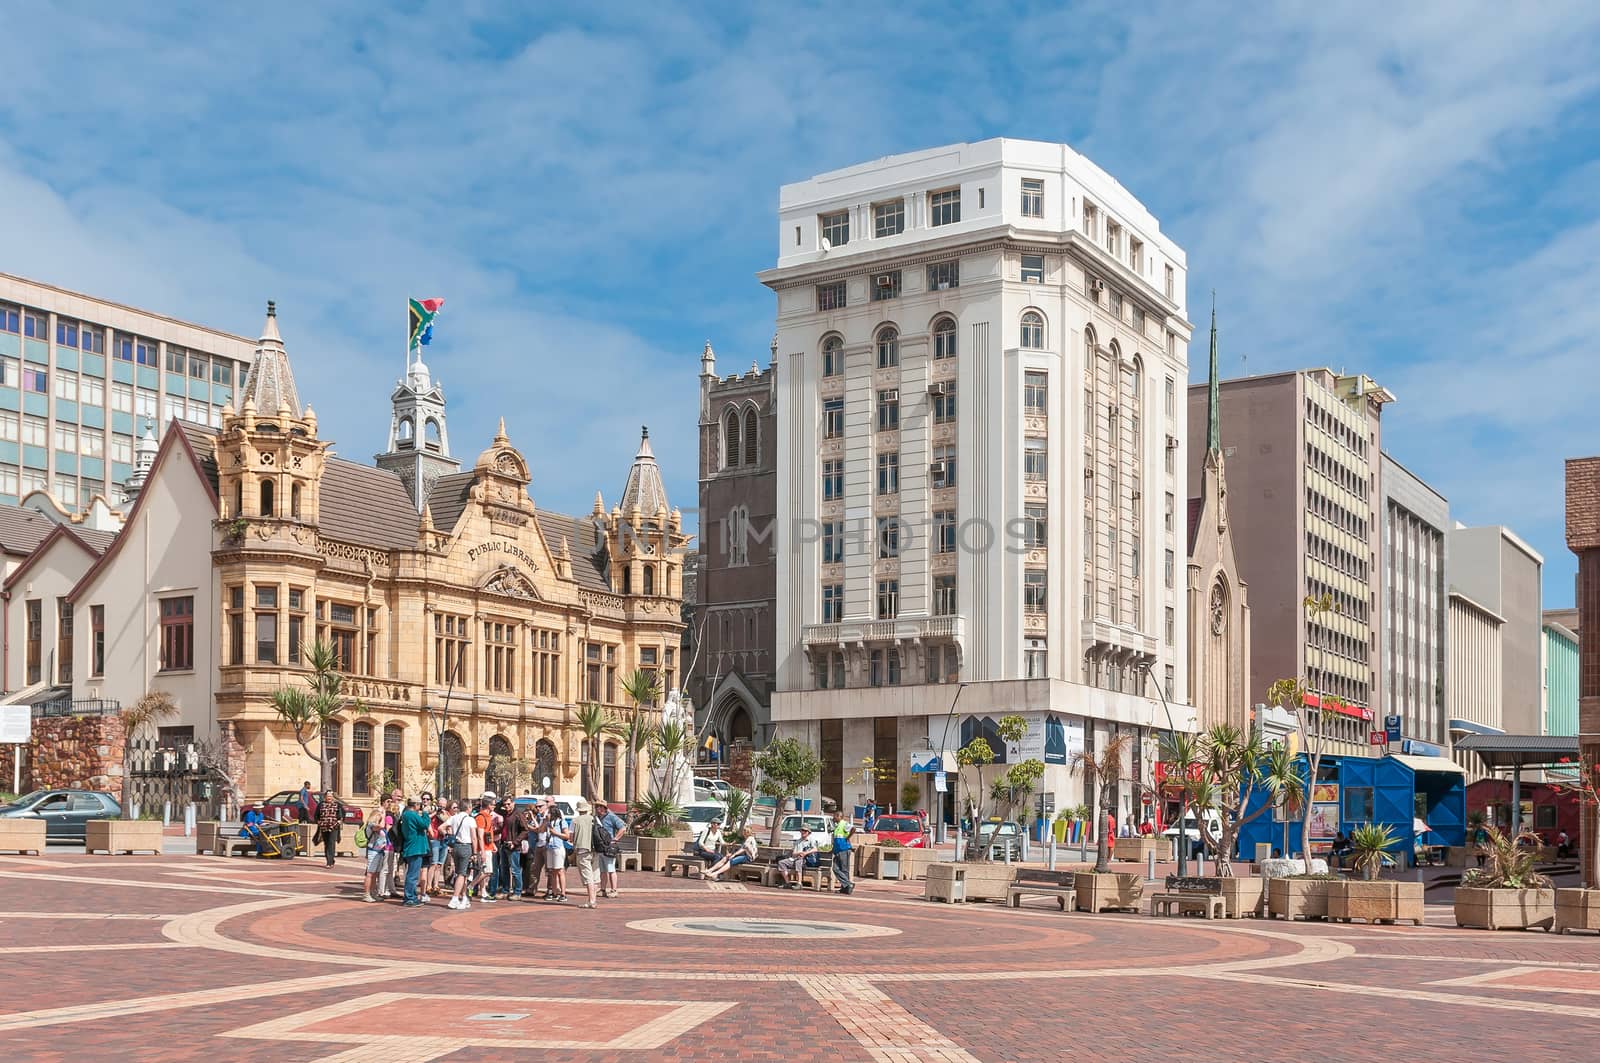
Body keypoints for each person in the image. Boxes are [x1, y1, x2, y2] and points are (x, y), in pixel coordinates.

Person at [440, 800, 477, 910]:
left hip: (455, 846)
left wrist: (448, 835)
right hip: (466, 846)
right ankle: (455, 898)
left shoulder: (454, 817)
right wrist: (475, 852)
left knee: (462, 872)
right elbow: (474, 837)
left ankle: (464, 897)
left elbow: (441, 827)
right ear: (469, 808)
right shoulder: (470, 820)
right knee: (462, 873)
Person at [396, 797, 432, 907]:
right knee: (412, 875)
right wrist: (425, 814)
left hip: (413, 846)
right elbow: (424, 824)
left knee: (412, 874)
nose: (420, 807)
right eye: (419, 804)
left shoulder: (406, 814)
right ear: (415, 804)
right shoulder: (411, 814)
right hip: (415, 847)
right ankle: (409, 898)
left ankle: (411, 896)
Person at [571, 798, 600, 909]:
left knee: (588, 877)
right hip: (595, 850)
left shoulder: (575, 821)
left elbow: (571, 837)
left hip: (582, 850)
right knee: (595, 876)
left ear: (578, 810)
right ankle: (593, 899)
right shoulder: (594, 819)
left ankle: (591, 901)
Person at [362, 799, 393, 902]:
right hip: (373, 851)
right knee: (370, 873)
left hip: (379, 852)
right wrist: (383, 815)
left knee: (375, 873)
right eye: (379, 818)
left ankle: (373, 892)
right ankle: (366, 894)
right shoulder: (371, 825)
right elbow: (380, 826)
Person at [498, 796, 525, 901]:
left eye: (509, 804)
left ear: (513, 803)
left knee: (515, 870)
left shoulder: (518, 814)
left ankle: (517, 891)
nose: (507, 806)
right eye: (505, 805)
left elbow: (525, 830)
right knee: (504, 869)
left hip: (513, 846)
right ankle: (505, 890)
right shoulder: (505, 814)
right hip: (504, 844)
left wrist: (515, 842)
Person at [597, 802, 627, 898]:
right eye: (596, 807)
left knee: (611, 869)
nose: (597, 809)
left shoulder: (611, 817)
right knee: (602, 870)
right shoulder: (596, 818)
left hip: (609, 847)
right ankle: (603, 889)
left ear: (604, 808)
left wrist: (615, 839)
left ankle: (614, 889)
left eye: (599, 807)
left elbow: (622, 828)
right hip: (600, 847)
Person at [778, 825, 821, 889]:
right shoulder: (798, 841)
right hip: (795, 859)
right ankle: (787, 883)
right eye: (802, 830)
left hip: (807, 860)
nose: (803, 832)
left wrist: (805, 853)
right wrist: (799, 853)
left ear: (808, 832)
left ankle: (799, 883)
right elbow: (793, 854)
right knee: (781, 862)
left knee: (798, 862)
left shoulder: (811, 840)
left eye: (805, 831)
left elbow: (815, 849)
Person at [473, 797, 499, 902]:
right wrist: (482, 851)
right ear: (488, 805)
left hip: (488, 847)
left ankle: (483, 893)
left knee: (483, 871)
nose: (494, 806)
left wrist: (493, 844)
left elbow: (489, 833)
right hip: (483, 849)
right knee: (487, 872)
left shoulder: (488, 816)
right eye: (493, 804)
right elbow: (480, 835)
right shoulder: (481, 817)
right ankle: (470, 886)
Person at [544, 801, 570, 901]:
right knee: (552, 871)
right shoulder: (548, 823)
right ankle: (554, 892)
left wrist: (555, 833)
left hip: (558, 847)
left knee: (559, 870)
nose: (547, 815)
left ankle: (563, 893)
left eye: (549, 813)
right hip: (550, 847)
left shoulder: (561, 822)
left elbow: (566, 836)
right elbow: (540, 830)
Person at [830, 809, 856, 896]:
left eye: (834, 816)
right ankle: (848, 884)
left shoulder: (844, 824)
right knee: (835, 868)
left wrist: (848, 837)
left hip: (844, 849)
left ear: (839, 816)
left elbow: (853, 828)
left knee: (844, 869)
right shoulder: (837, 826)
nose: (833, 817)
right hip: (838, 850)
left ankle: (846, 887)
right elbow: (836, 839)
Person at [314, 790, 343, 867]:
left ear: (333, 797)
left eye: (330, 796)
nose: (329, 798)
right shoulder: (321, 805)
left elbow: (342, 815)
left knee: (331, 843)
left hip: (334, 827)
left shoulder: (338, 805)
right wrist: (319, 822)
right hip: (324, 827)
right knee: (326, 844)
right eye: (327, 796)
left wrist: (339, 821)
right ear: (325, 797)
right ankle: (330, 859)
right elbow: (316, 816)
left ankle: (329, 862)